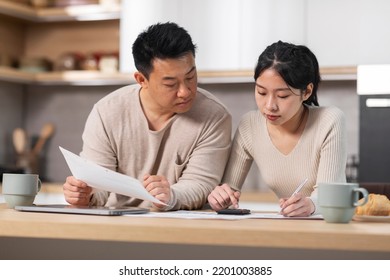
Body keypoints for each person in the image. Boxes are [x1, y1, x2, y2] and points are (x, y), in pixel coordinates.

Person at [63, 22, 232, 211]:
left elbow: (201, 183)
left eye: (191, 77)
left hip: (181, 225)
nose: (185, 92)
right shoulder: (107, 112)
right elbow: (98, 182)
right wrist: (86, 193)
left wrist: (171, 196)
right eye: (170, 84)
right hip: (118, 223)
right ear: (142, 80)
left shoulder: (214, 116)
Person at [207, 40, 347, 217]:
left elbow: (329, 197)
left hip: (333, 226)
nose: (269, 106)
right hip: (290, 225)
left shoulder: (329, 120)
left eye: (282, 95)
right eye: (261, 92)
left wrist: (311, 204)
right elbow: (229, 188)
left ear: (307, 92)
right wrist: (221, 198)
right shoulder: (249, 125)